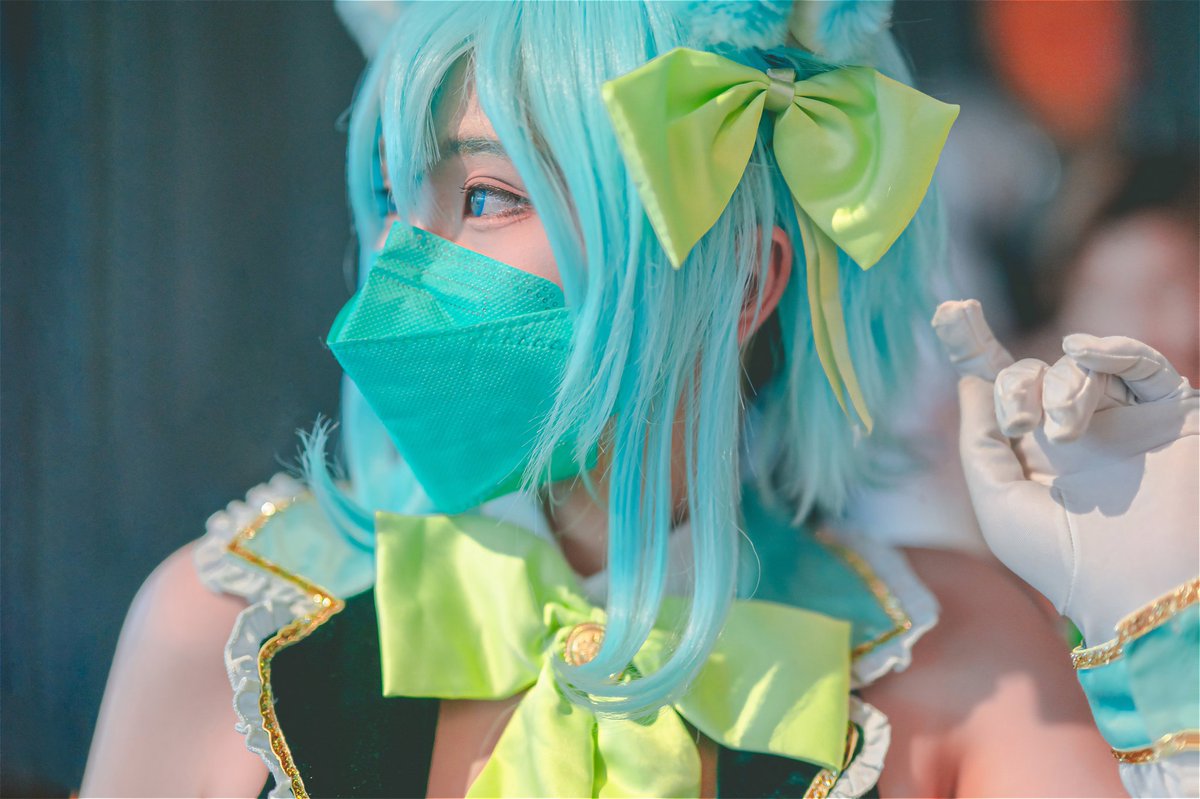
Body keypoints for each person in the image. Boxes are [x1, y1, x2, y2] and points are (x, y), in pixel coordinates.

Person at [81, 2, 1197, 797]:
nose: (401, 262)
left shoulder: (964, 660)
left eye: (486, 195)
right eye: (393, 195)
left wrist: (1161, 637)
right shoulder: (222, 630)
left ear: (745, 282)